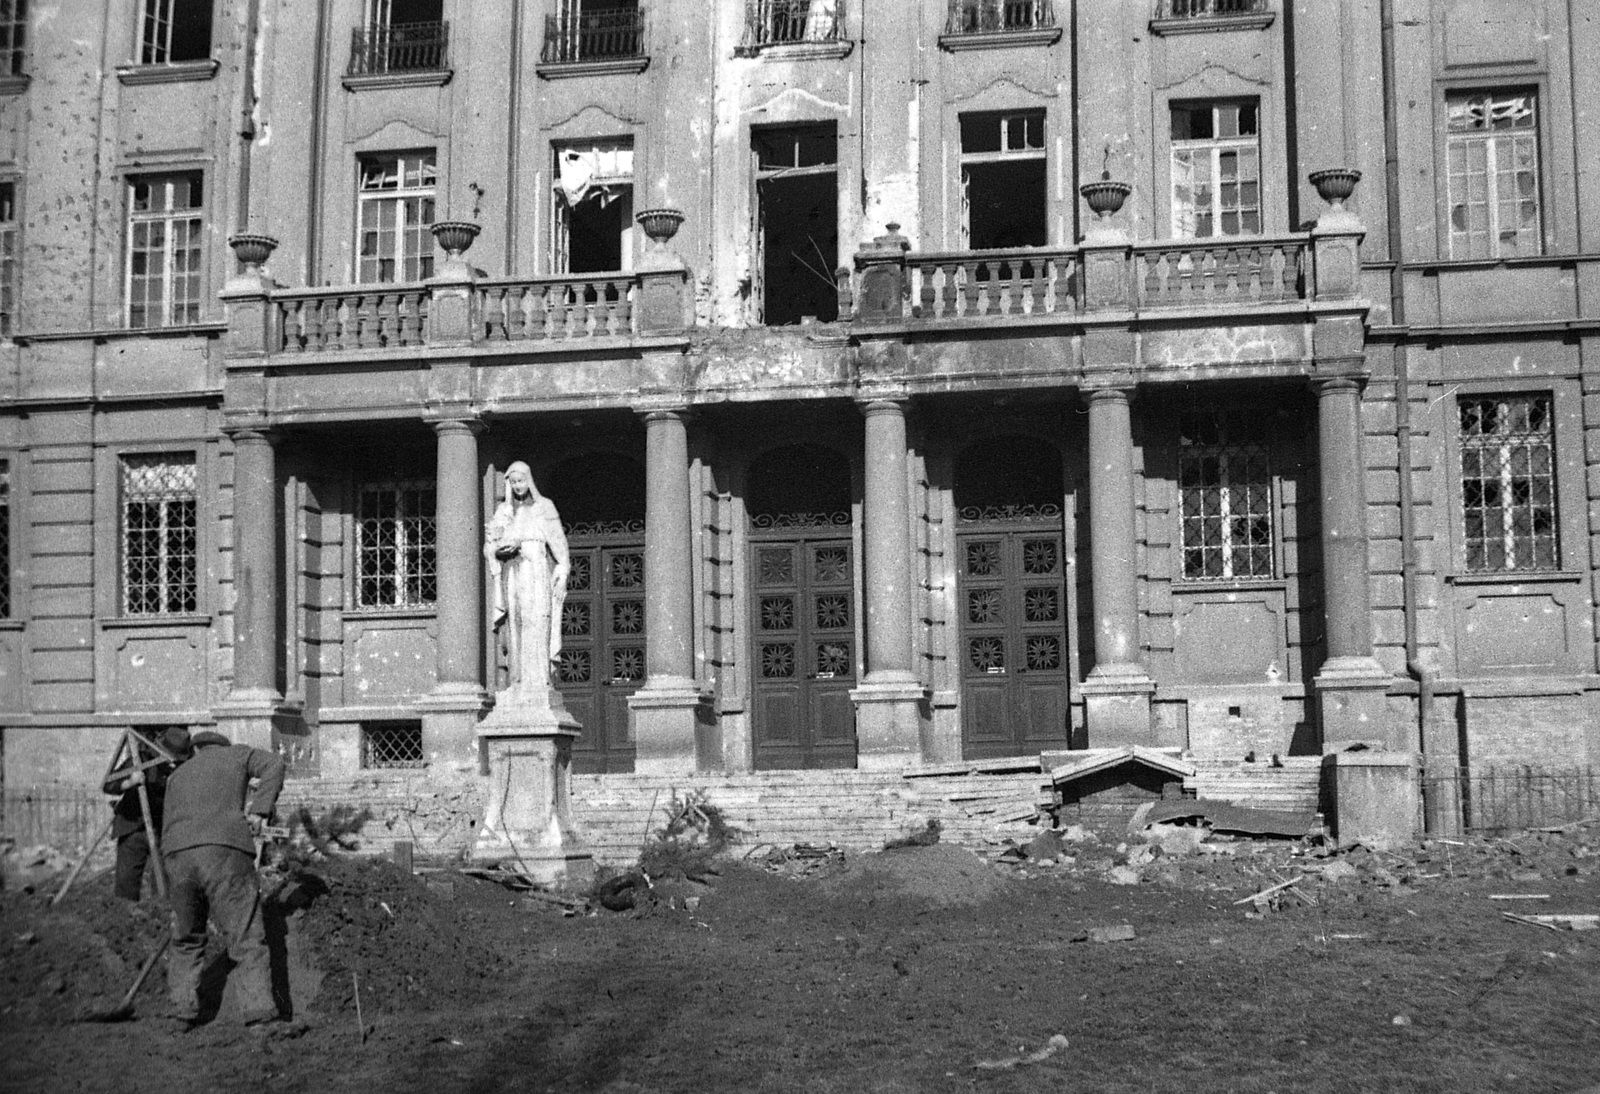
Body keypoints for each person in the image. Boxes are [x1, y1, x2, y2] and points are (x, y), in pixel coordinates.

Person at [158, 729, 285, 1028]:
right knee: (245, 935)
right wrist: (260, 811)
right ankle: (258, 1013)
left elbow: (166, 826)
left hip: (177, 856)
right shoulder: (236, 755)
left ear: (196, 750)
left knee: (186, 937)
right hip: (224, 852)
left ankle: (181, 1012)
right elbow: (274, 765)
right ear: (221, 746)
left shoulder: (178, 775)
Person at [484, 460, 570, 695]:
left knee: (538, 621)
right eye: (513, 483)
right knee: (516, 624)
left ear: (529, 481)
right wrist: (500, 548)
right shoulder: (504, 511)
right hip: (515, 571)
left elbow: (559, 546)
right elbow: (490, 545)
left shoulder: (545, 507)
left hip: (538, 571)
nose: (518, 486)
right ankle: (518, 681)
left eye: (521, 481)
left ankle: (540, 681)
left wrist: (562, 574)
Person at [101, 726, 191, 902]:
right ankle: (126, 918)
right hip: (132, 828)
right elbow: (108, 785)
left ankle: (160, 914)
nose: (173, 763)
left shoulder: (180, 769)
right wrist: (130, 782)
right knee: (126, 883)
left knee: (164, 882)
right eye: (172, 757)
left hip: (161, 830)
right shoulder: (139, 760)